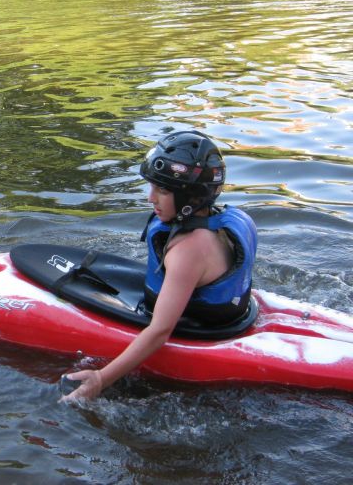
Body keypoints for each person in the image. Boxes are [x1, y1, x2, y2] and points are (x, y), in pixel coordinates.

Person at [61, 130, 257, 402]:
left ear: (192, 197)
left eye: (162, 190)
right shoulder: (224, 222)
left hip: (202, 325)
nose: (150, 198)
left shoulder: (189, 251)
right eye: (152, 187)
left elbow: (160, 331)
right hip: (235, 312)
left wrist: (101, 378)